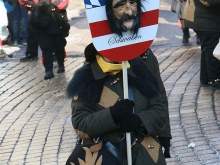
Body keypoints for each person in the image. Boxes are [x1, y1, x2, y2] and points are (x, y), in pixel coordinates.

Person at [65, 0, 171, 164]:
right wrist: (112, 115)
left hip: (147, 157)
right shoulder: (88, 80)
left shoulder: (141, 67)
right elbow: (81, 125)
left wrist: (140, 121)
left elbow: (159, 108)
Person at [28, 0, 70, 79]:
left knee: (59, 45)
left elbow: (63, 4)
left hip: (56, 19)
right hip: (41, 19)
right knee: (46, 48)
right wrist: (37, 5)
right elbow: (26, 2)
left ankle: (60, 66)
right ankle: (49, 70)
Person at [184, 0, 220, 89]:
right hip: (206, 20)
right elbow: (209, 1)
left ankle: (206, 78)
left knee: (207, 49)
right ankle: (215, 80)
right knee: (211, 50)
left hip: (204, 19)